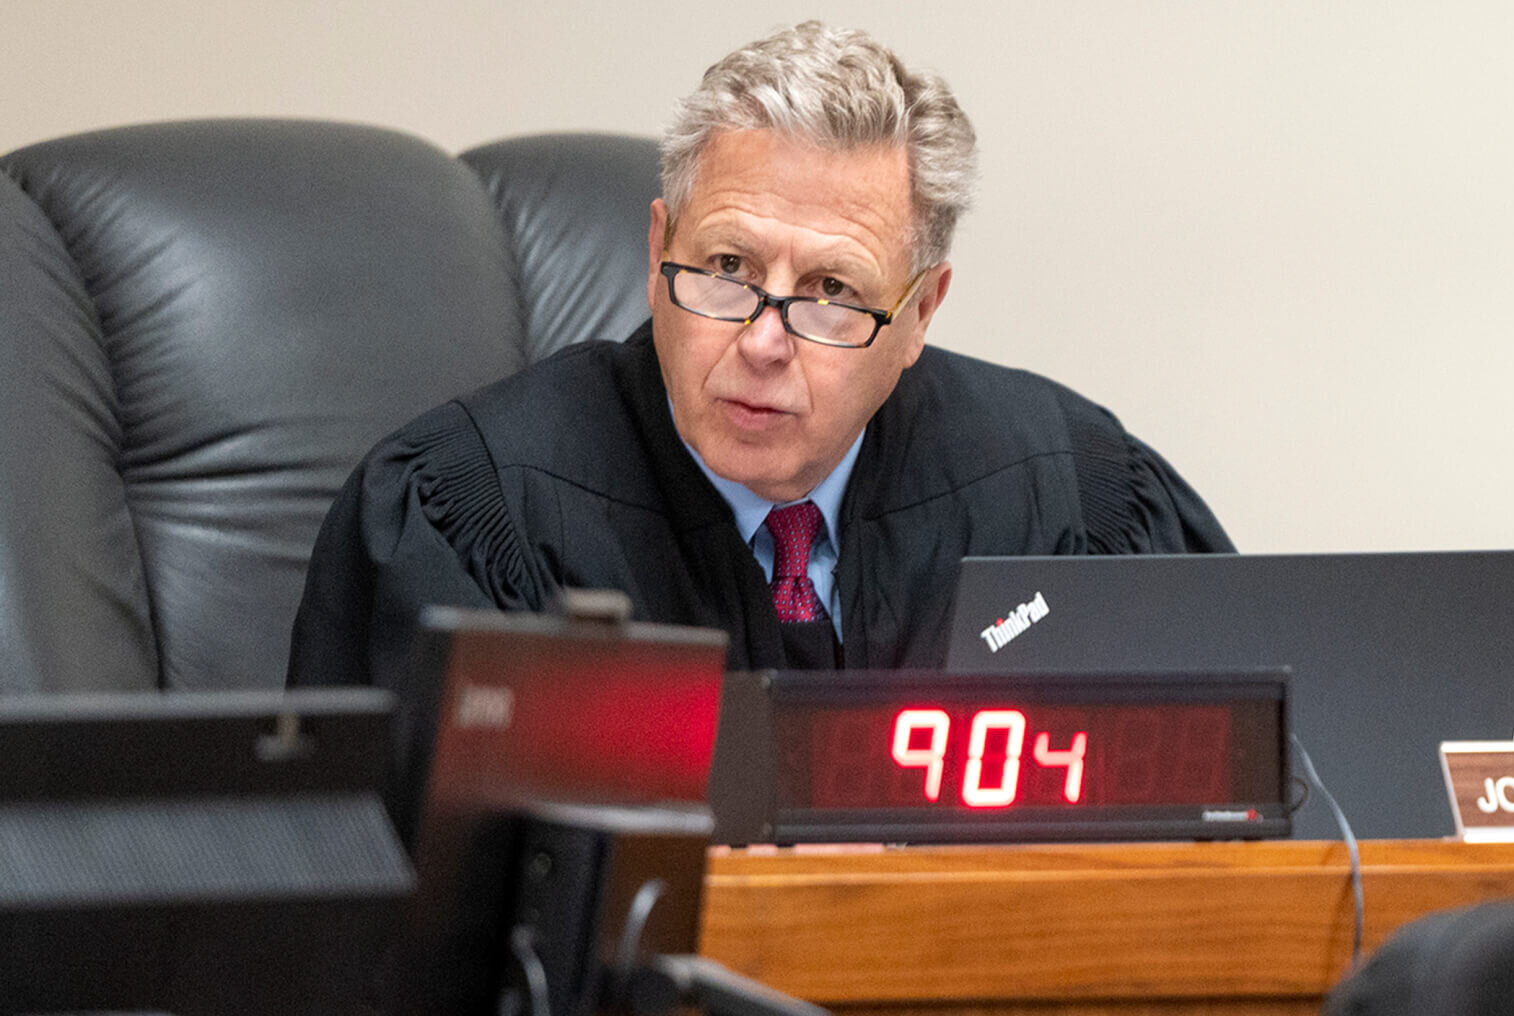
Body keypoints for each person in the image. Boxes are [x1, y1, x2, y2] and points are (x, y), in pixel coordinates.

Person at [288, 21, 1232, 695]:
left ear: (918, 315)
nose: (763, 342)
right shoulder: (470, 515)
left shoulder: (1069, 499)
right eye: (728, 266)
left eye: (831, 292)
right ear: (659, 255)